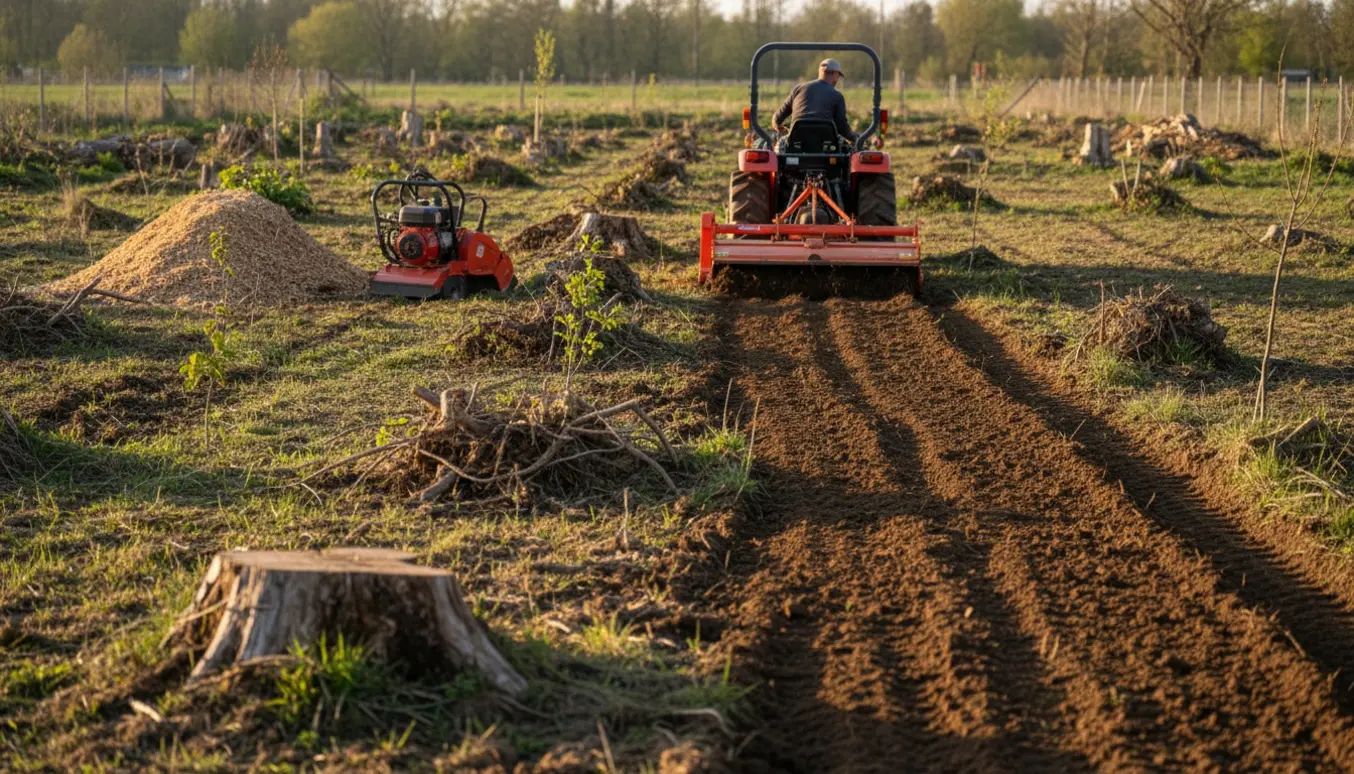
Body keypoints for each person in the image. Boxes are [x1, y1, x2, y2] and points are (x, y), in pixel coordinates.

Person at [771, 58, 857, 146]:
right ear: (835, 74)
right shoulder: (837, 96)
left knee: (777, 144)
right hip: (826, 145)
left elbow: (776, 119)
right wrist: (856, 138)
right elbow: (842, 127)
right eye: (838, 76)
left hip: (797, 143)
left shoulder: (798, 90)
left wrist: (782, 129)